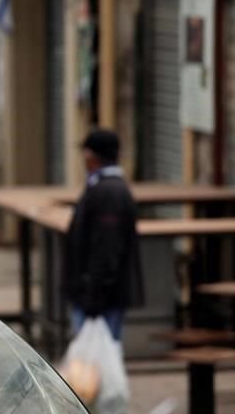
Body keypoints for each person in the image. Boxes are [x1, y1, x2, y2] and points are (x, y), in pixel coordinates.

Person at [62, 128, 144, 341]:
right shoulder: (103, 187)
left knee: (96, 367)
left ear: (91, 156)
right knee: (93, 366)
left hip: (101, 300)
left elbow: (107, 250)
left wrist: (93, 299)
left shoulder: (109, 193)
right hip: (97, 296)